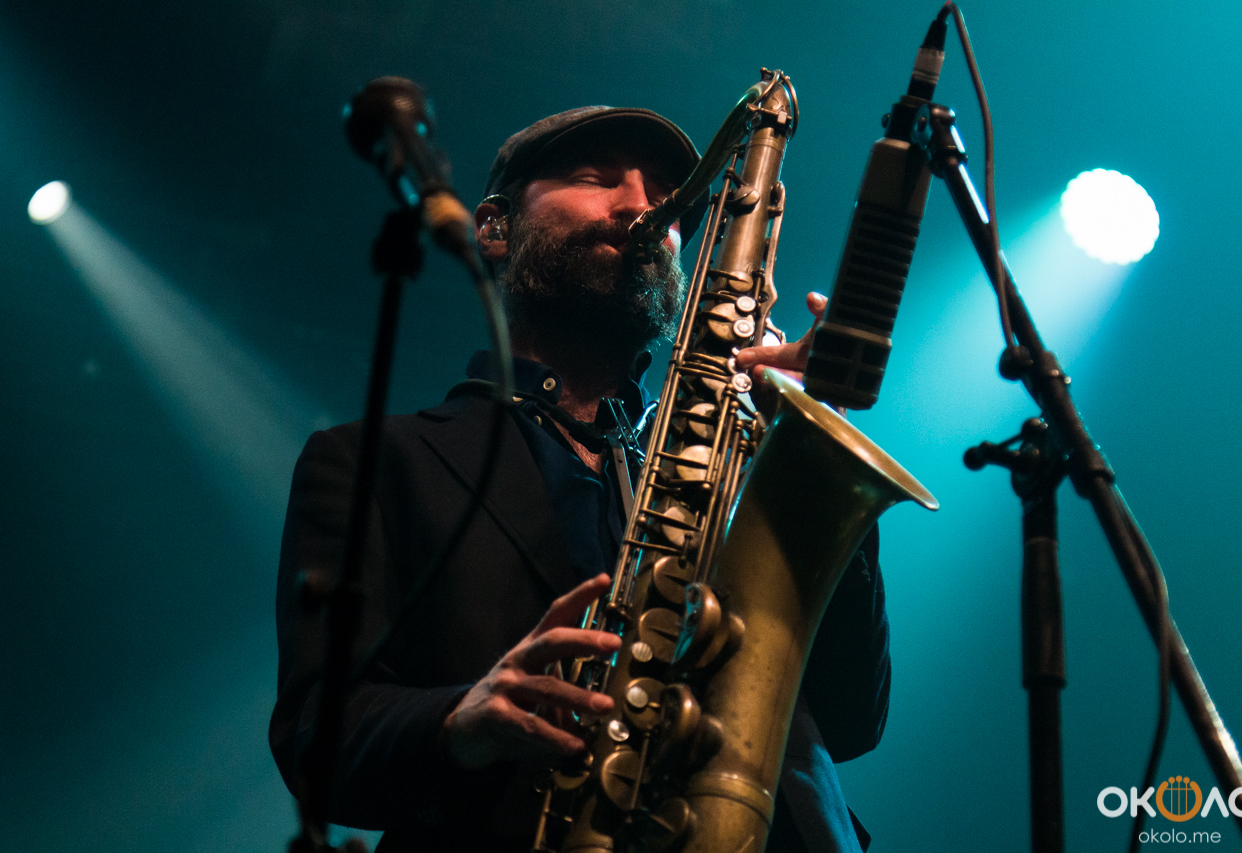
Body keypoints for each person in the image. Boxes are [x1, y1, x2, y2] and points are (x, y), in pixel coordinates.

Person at [271, 106, 890, 853]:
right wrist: (460, 717)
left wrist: (803, 453)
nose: (642, 208)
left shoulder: (734, 456)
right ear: (494, 229)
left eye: (666, 198)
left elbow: (852, 718)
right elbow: (316, 737)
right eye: (597, 178)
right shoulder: (371, 460)